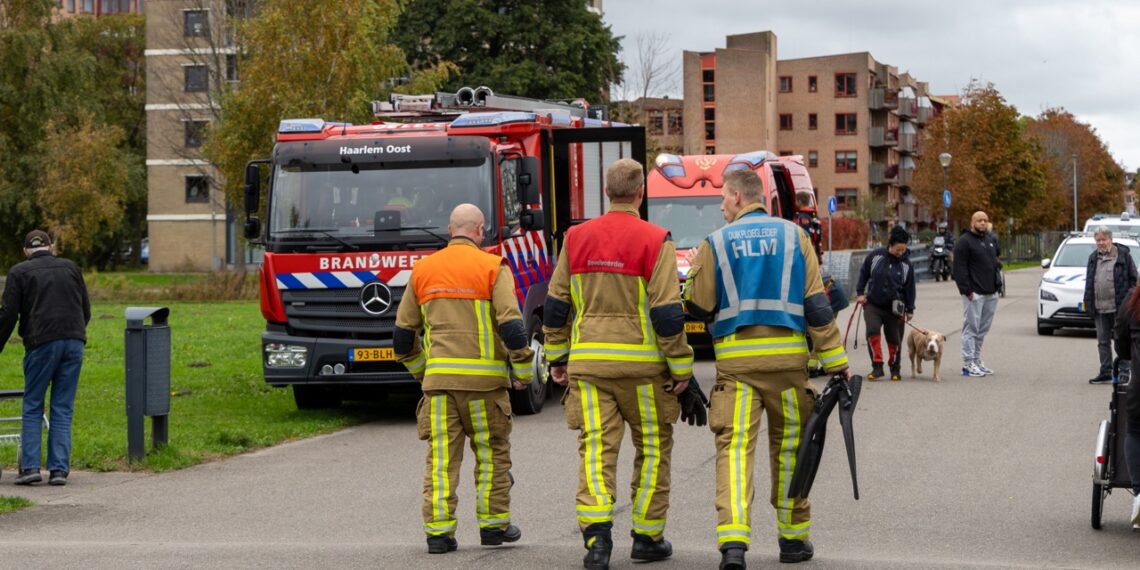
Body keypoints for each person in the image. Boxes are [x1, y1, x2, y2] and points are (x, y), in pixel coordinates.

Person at [684, 169, 850, 570]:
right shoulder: (796, 237)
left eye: (723, 197)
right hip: (789, 367)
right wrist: (836, 361)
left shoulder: (715, 243)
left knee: (735, 452)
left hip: (737, 367)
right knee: (792, 447)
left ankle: (734, 545)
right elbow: (816, 306)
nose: (721, 205)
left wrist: (695, 278)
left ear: (739, 196)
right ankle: (793, 541)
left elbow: (698, 306)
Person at [543, 158, 698, 570]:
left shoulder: (575, 239)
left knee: (596, 449)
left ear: (607, 192)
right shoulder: (655, 239)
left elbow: (556, 306)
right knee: (652, 451)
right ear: (640, 195)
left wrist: (558, 356)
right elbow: (667, 312)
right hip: (644, 371)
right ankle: (647, 537)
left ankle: (597, 539)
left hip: (590, 367)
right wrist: (681, 368)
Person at [393, 204, 534, 554]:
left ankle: (439, 534)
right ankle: (493, 526)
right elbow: (513, 327)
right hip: (485, 388)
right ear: (480, 230)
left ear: (449, 229)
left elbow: (402, 337)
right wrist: (522, 372)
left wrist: (424, 371)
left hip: (440, 390)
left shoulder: (423, 270)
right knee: (491, 456)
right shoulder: (491, 267)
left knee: (441, 460)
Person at [0, 230, 90, 486]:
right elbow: (86, 309)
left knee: (33, 404)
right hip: (74, 340)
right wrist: (74, 333)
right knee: (62, 406)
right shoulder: (72, 268)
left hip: (41, 343)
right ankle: (59, 470)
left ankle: (30, 468)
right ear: (51, 247)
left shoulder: (19, 272)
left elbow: (8, 314)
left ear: (25, 250)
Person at [855, 226, 916, 382]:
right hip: (873, 305)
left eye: (903, 250)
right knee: (872, 332)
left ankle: (895, 368)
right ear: (890, 244)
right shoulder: (875, 257)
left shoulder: (907, 265)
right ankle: (877, 367)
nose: (900, 253)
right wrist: (860, 293)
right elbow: (863, 274)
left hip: (895, 309)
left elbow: (910, 288)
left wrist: (910, 309)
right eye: (898, 249)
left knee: (894, 340)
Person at [1085, 227, 1137, 384]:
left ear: (1110, 239)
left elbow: (1133, 279)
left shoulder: (1123, 256)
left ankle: (1124, 371)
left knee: (1121, 339)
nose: (1101, 243)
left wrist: (1129, 301)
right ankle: (1105, 371)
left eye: (1104, 239)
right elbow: (1089, 281)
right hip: (1100, 307)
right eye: (1098, 240)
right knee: (1102, 341)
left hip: (1119, 308)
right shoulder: (1093, 258)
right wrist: (1088, 301)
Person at [952, 211, 1001, 377]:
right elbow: (959, 268)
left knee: (982, 329)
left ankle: (977, 359)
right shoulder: (964, 242)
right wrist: (966, 290)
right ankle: (968, 363)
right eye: (980, 220)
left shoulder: (989, 240)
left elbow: (995, 263)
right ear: (972, 222)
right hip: (974, 293)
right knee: (971, 328)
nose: (983, 223)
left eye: (985, 221)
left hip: (991, 292)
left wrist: (997, 285)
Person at [1111, 286, 1140, 529]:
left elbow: (1120, 343)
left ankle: (1139, 494)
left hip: (1139, 388)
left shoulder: (1132, 301)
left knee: (1135, 433)